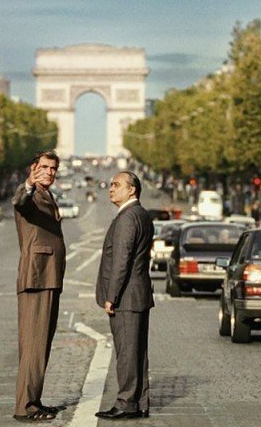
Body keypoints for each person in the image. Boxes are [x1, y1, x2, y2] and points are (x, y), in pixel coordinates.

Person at [11, 150, 67, 422]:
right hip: (37, 276)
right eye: (44, 167)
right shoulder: (30, 193)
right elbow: (21, 201)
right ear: (33, 169)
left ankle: (34, 399)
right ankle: (25, 406)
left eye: (53, 168)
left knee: (40, 343)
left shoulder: (47, 194)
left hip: (48, 276)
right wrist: (29, 185)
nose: (49, 172)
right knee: (33, 344)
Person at [95, 171, 154, 420]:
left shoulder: (127, 218)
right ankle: (139, 402)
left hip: (126, 297)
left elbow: (121, 261)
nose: (111, 189)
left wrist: (112, 296)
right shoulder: (141, 214)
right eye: (110, 185)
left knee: (127, 353)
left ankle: (126, 403)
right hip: (137, 294)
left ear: (132, 190)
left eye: (117, 185)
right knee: (137, 352)